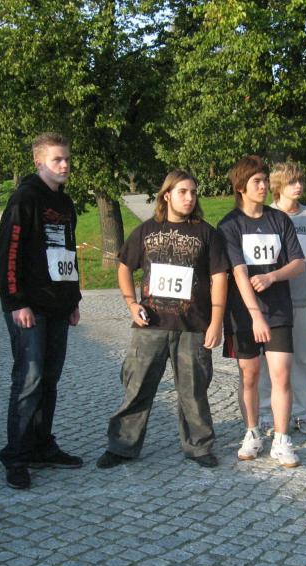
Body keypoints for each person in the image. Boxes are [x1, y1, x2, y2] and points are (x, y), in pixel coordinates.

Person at [96, 170, 228, 469]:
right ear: (166, 195)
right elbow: (124, 266)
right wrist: (131, 304)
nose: (189, 198)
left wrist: (216, 322)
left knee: (194, 391)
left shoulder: (207, 233)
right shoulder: (145, 230)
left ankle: (199, 446)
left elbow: (220, 277)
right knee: (137, 387)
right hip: (150, 325)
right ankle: (121, 446)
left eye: (193, 192)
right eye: (183, 192)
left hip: (193, 326)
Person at [0, 132, 83, 490]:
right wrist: (16, 302)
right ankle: (16, 455)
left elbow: (68, 254)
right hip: (29, 307)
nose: (64, 165)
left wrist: (73, 300)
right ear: (39, 161)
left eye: (67, 159)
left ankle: (42, 444)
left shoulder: (66, 202)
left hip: (58, 306)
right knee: (28, 380)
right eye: (57, 159)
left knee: (49, 379)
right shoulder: (25, 198)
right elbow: (7, 254)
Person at [217, 155, 305, 468]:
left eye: (265, 180)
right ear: (241, 187)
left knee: (281, 374)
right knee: (250, 375)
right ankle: (252, 432)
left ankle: (282, 438)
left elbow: (298, 262)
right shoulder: (229, 225)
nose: (264, 186)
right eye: (257, 181)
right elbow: (239, 272)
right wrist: (255, 316)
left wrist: (272, 277)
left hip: (278, 311)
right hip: (242, 314)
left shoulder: (279, 220)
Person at [258, 162, 306, 436]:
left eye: (300, 181)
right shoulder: (266, 215)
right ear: (278, 185)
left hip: (301, 300)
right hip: (273, 303)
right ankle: (266, 413)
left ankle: (302, 411)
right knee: (268, 361)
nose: (298, 186)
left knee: (302, 359)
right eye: (291, 182)